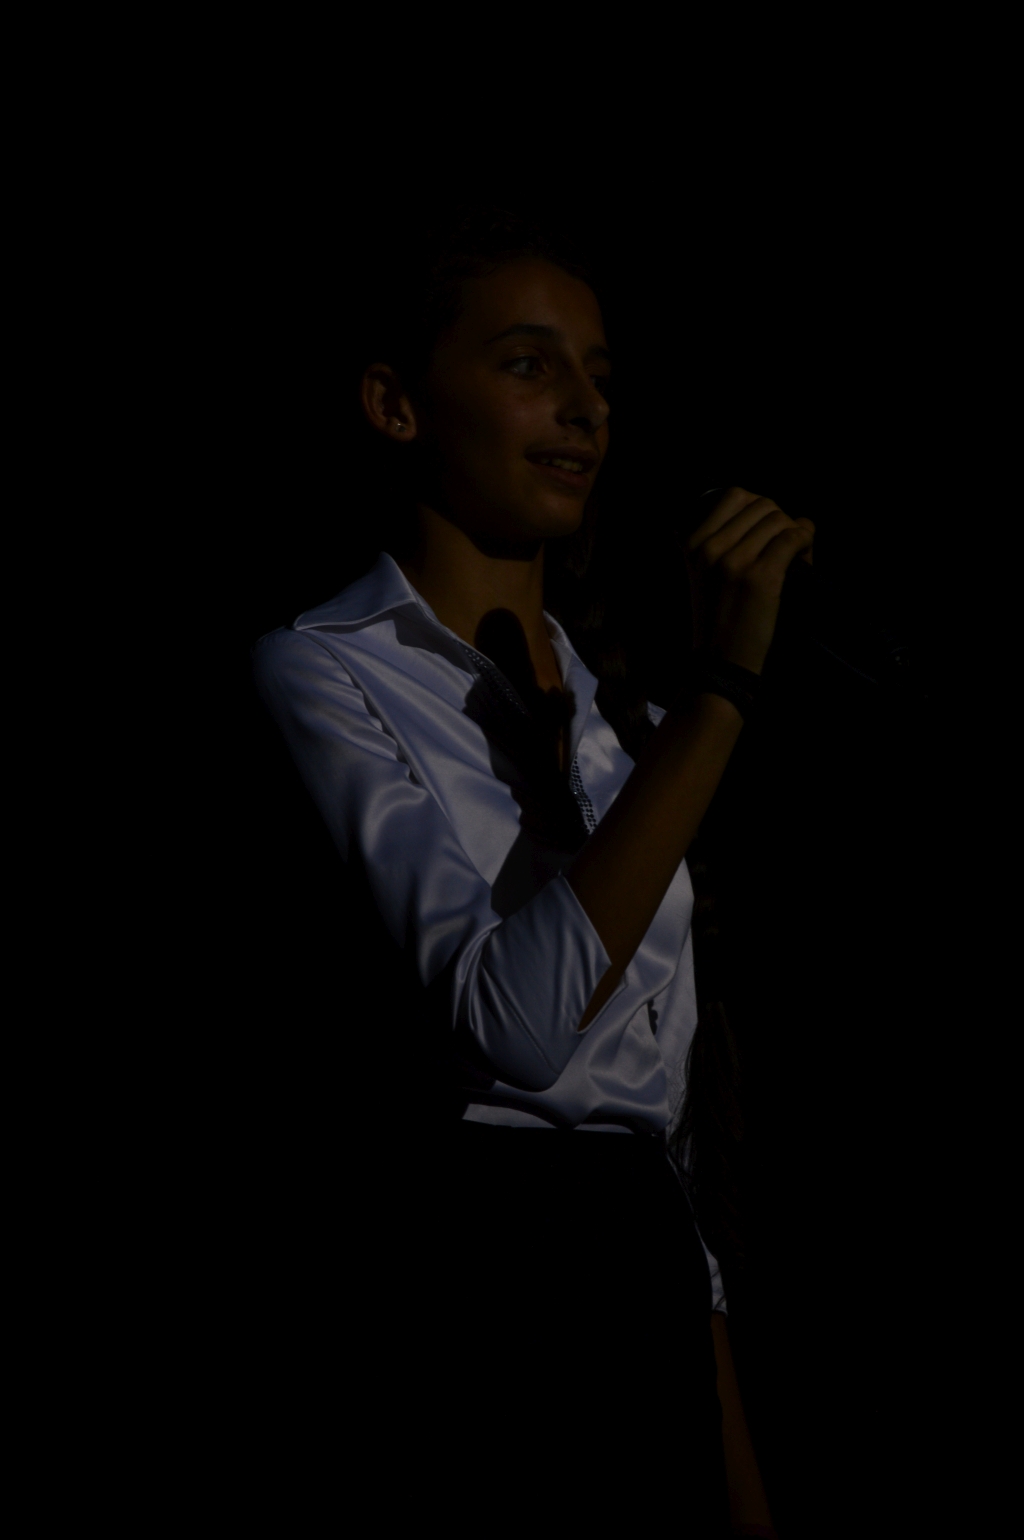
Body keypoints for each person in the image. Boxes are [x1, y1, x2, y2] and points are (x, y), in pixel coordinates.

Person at [253, 206, 813, 1535]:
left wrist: (737, 1476)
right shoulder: (323, 672)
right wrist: (722, 695)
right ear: (395, 403)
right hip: (473, 1298)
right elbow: (513, 1024)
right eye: (527, 364)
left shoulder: (632, 729)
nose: (583, 408)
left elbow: (658, 1126)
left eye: (600, 377)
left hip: (640, 1292)